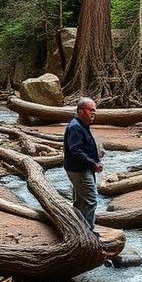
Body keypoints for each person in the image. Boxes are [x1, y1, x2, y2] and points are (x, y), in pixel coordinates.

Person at [63, 97, 103, 231]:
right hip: (80, 171)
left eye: (94, 110)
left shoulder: (80, 125)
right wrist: (93, 163)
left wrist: (95, 162)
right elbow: (76, 150)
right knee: (91, 201)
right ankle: (88, 232)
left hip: (80, 169)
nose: (93, 113)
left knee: (80, 202)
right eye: (90, 110)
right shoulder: (76, 127)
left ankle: (77, 229)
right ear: (80, 111)